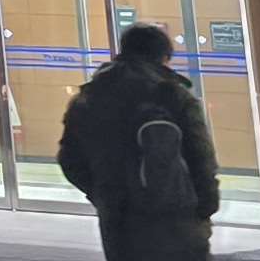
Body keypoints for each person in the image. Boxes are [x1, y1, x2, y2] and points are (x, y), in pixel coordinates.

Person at [57, 22, 218, 261]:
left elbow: (69, 159)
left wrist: (103, 194)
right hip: (176, 214)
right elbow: (200, 155)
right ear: (162, 57)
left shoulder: (89, 98)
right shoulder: (172, 95)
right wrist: (205, 206)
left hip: (118, 218)